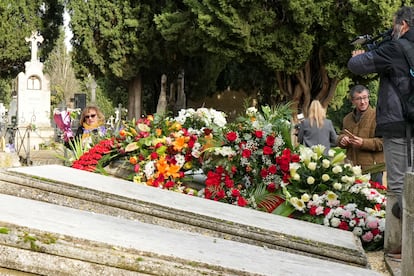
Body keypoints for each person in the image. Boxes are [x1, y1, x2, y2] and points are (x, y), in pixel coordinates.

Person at [347, 6, 414, 260]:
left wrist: (360, 53)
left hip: (399, 126)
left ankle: (402, 248)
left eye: (395, 25)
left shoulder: (395, 48)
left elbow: (356, 65)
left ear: (403, 25)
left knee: (398, 186)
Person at [337, 85, 385, 184]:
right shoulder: (347, 118)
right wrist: (342, 139)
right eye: (359, 99)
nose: (363, 102)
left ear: (368, 97)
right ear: (353, 101)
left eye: (365, 97)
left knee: (375, 198)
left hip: (373, 169)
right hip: (352, 168)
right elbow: (341, 135)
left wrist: (363, 143)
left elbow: (384, 142)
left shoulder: (379, 116)